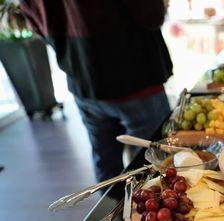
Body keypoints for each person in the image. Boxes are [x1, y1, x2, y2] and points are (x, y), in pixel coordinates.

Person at [20, 0, 173, 182]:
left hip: (83, 77)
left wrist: (69, 48)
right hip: (136, 76)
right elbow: (151, 14)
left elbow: (33, 17)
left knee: (106, 166)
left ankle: (111, 209)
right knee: (153, 168)